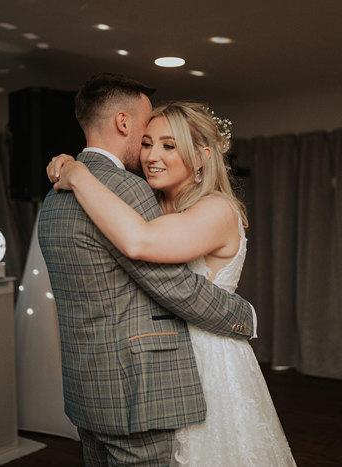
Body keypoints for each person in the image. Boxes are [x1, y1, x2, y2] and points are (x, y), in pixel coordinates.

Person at [47, 101, 296, 466]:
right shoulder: (150, 202)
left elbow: (139, 242)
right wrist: (72, 163)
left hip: (207, 361)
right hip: (151, 369)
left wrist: (81, 176)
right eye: (146, 143)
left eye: (169, 145)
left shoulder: (217, 210)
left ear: (200, 158)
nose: (151, 156)